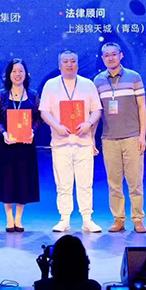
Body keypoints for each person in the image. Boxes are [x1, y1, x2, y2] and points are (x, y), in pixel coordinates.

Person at [39, 50, 103, 233]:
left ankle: (87, 219)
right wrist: (57, 126)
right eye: (65, 61)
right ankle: (64, 218)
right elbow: (44, 112)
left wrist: (88, 124)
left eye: (73, 61)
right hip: (60, 142)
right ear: (59, 65)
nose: (69, 64)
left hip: (84, 142)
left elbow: (97, 110)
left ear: (78, 64)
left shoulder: (87, 84)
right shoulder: (51, 85)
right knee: (63, 183)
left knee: (85, 183)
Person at [93, 42, 146, 233]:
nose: (110, 58)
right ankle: (118, 219)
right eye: (106, 55)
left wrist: (142, 135)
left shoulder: (134, 77)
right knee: (114, 183)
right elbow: (96, 112)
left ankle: (138, 219)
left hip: (132, 137)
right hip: (109, 139)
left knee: (135, 182)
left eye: (113, 54)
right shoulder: (98, 81)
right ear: (102, 58)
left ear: (121, 55)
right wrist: (92, 138)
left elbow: (142, 107)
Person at [0, 58, 40, 232]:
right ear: (9, 74)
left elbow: (38, 118)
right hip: (6, 145)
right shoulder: (1, 95)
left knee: (23, 180)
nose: (17, 75)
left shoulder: (32, 95)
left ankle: (19, 218)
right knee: (7, 181)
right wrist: (3, 133)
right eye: (14, 71)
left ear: (26, 74)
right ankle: (9, 218)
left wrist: (32, 131)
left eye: (20, 71)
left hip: (26, 145)